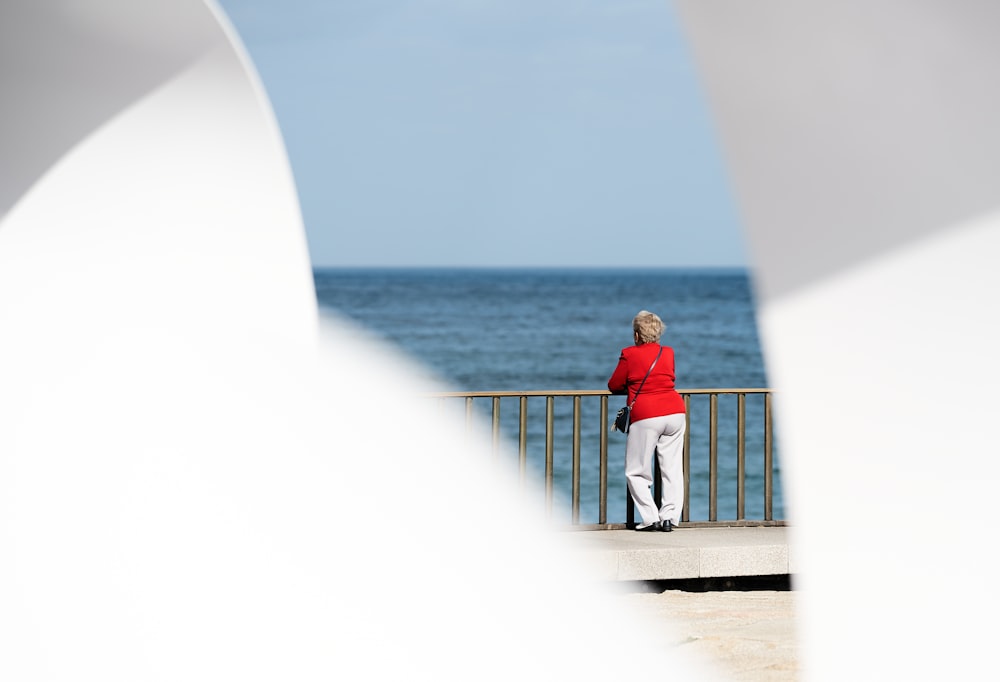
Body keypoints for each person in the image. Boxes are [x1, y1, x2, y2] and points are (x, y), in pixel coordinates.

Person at [607, 310, 686, 532]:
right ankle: (669, 517)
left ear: (637, 335)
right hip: (675, 412)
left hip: (647, 415)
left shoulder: (629, 354)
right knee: (671, 468)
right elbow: (668, 377)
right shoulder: (667, 352)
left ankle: (651, 518)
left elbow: (614, 384)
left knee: (637, 470)